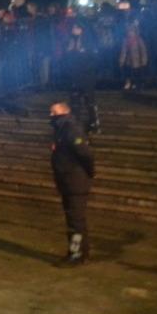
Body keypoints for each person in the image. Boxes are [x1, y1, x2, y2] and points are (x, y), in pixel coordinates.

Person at [49, 102, 95, 266]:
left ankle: (76, 253)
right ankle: (81, 252)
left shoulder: (70, 129)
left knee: (75, 222)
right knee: (74, 220)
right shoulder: (61, 129)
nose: (51, 115)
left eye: (54, 112)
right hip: (68, 182)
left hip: (75, 182)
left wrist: (88, 172)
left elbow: (85, 153)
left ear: (65, 112)